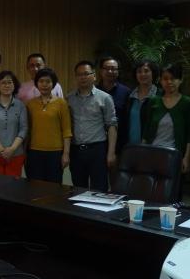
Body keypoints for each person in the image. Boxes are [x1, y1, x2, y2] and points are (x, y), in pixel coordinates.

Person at [66, 61, 117, 190]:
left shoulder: (105, 98)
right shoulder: (69, 98)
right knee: (78, 189)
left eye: (86, 74)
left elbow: (112, 125)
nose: (83, 77)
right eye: (79, 75)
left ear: (94, 76)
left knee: (99, 189)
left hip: (97, 150)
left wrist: (111, 153)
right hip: (76, 150)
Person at [142, 63, 190, 174]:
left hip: (174, 156)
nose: (169, 82)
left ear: (180, 80)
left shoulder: (187, 103)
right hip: (152, 153)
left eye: (173, 78)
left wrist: (186, 158)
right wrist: (142, 153)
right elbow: (146, 131)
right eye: (165, 79)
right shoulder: (153, 101)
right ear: (160, 81)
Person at [25, 68, 72, 184]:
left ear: (53, 84)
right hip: (34, 152)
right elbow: (27, 130)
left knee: (54, 187)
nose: (44, 84)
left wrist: (66, 154)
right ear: (37, 83)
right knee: (35, 186)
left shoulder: (61, 103)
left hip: (55, 153)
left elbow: (67, 130)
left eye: (48, 81)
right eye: (41, 81)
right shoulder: (30, 104)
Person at [0, 71, 28, 176]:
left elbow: (23, 129)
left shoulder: (21, 105)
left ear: (14, 85)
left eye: (10, 82)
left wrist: (12, 149)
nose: (7, 85)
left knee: (13, 185)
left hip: (15, 153)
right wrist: (2, 151)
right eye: (3, 83)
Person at [97, 56, 131, 150]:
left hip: (119, 143)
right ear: (101, 71)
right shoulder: (93, 91)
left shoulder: (126, 92)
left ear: (118, 71)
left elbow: (128, 120)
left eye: (113, 69)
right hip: (97, 143)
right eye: (107, 68)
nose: (110, 71)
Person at [126, 60, 160, 145]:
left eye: (146, 71)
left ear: (153, 73)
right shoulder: (130, 96)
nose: (142, 74)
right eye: (139, 71)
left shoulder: (160, 95)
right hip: (130, 147)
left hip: (153, 146)